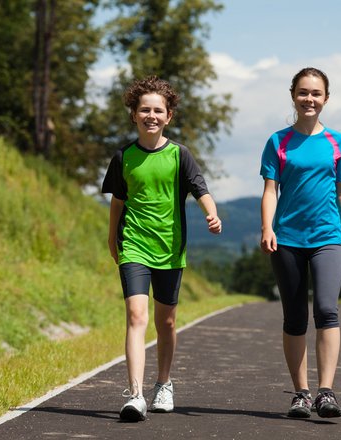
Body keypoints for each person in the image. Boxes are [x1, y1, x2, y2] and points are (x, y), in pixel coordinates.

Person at [101, 75, 222, 422]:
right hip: (134, 245)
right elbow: (118, 202)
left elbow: (201, 191)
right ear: (134, 115)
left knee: (165, 322)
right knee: (136, 317)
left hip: (169, 249)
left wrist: (211, 215)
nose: (150, 116)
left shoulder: (179, 155)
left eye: (158, 110)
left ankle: (163, 384)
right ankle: (136, 394)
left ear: (168, 116)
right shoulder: (123, 156)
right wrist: (113, 239)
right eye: (144, 110)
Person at [259, 67, 341, 419]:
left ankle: (326, 392)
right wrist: (267, 227)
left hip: (328, 237)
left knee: (327, 310)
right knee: (295, 317)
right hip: (287, 238)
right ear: (293, 96)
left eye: (316, 93)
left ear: (326, 98)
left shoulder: (338, 142)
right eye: (303, 92)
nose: (309, 99)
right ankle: (301, 393)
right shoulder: (278, 141)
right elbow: (271, 190)